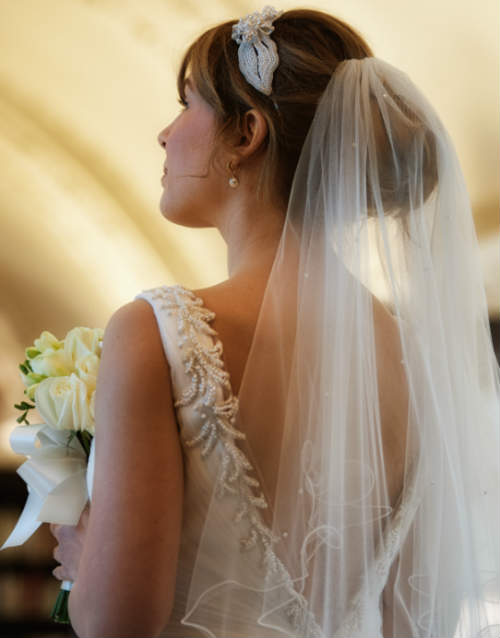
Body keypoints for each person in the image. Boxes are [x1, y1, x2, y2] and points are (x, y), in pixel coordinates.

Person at [50, 6, 500, 637]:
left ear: (246, 134)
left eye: (185, 105)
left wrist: (86, 553)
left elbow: (118, 624)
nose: (165, 134)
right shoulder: (420, 364)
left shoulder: (157, 331)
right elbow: (419, 614)